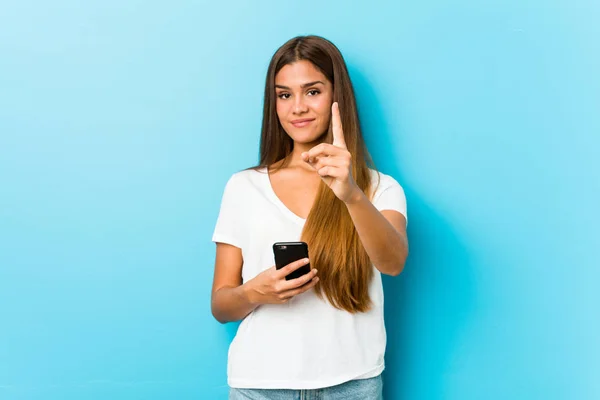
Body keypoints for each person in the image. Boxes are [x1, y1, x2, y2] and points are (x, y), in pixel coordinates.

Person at [211, 35, 409, 400]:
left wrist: (350, 193)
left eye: (312, 91)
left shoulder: (381, 188)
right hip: (261, 387)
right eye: (284, 95)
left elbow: (393, 262)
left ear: (337, 97)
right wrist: (255, 291)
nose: (297, 107)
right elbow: (221, 306)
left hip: (352, 385)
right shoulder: (243, 187)